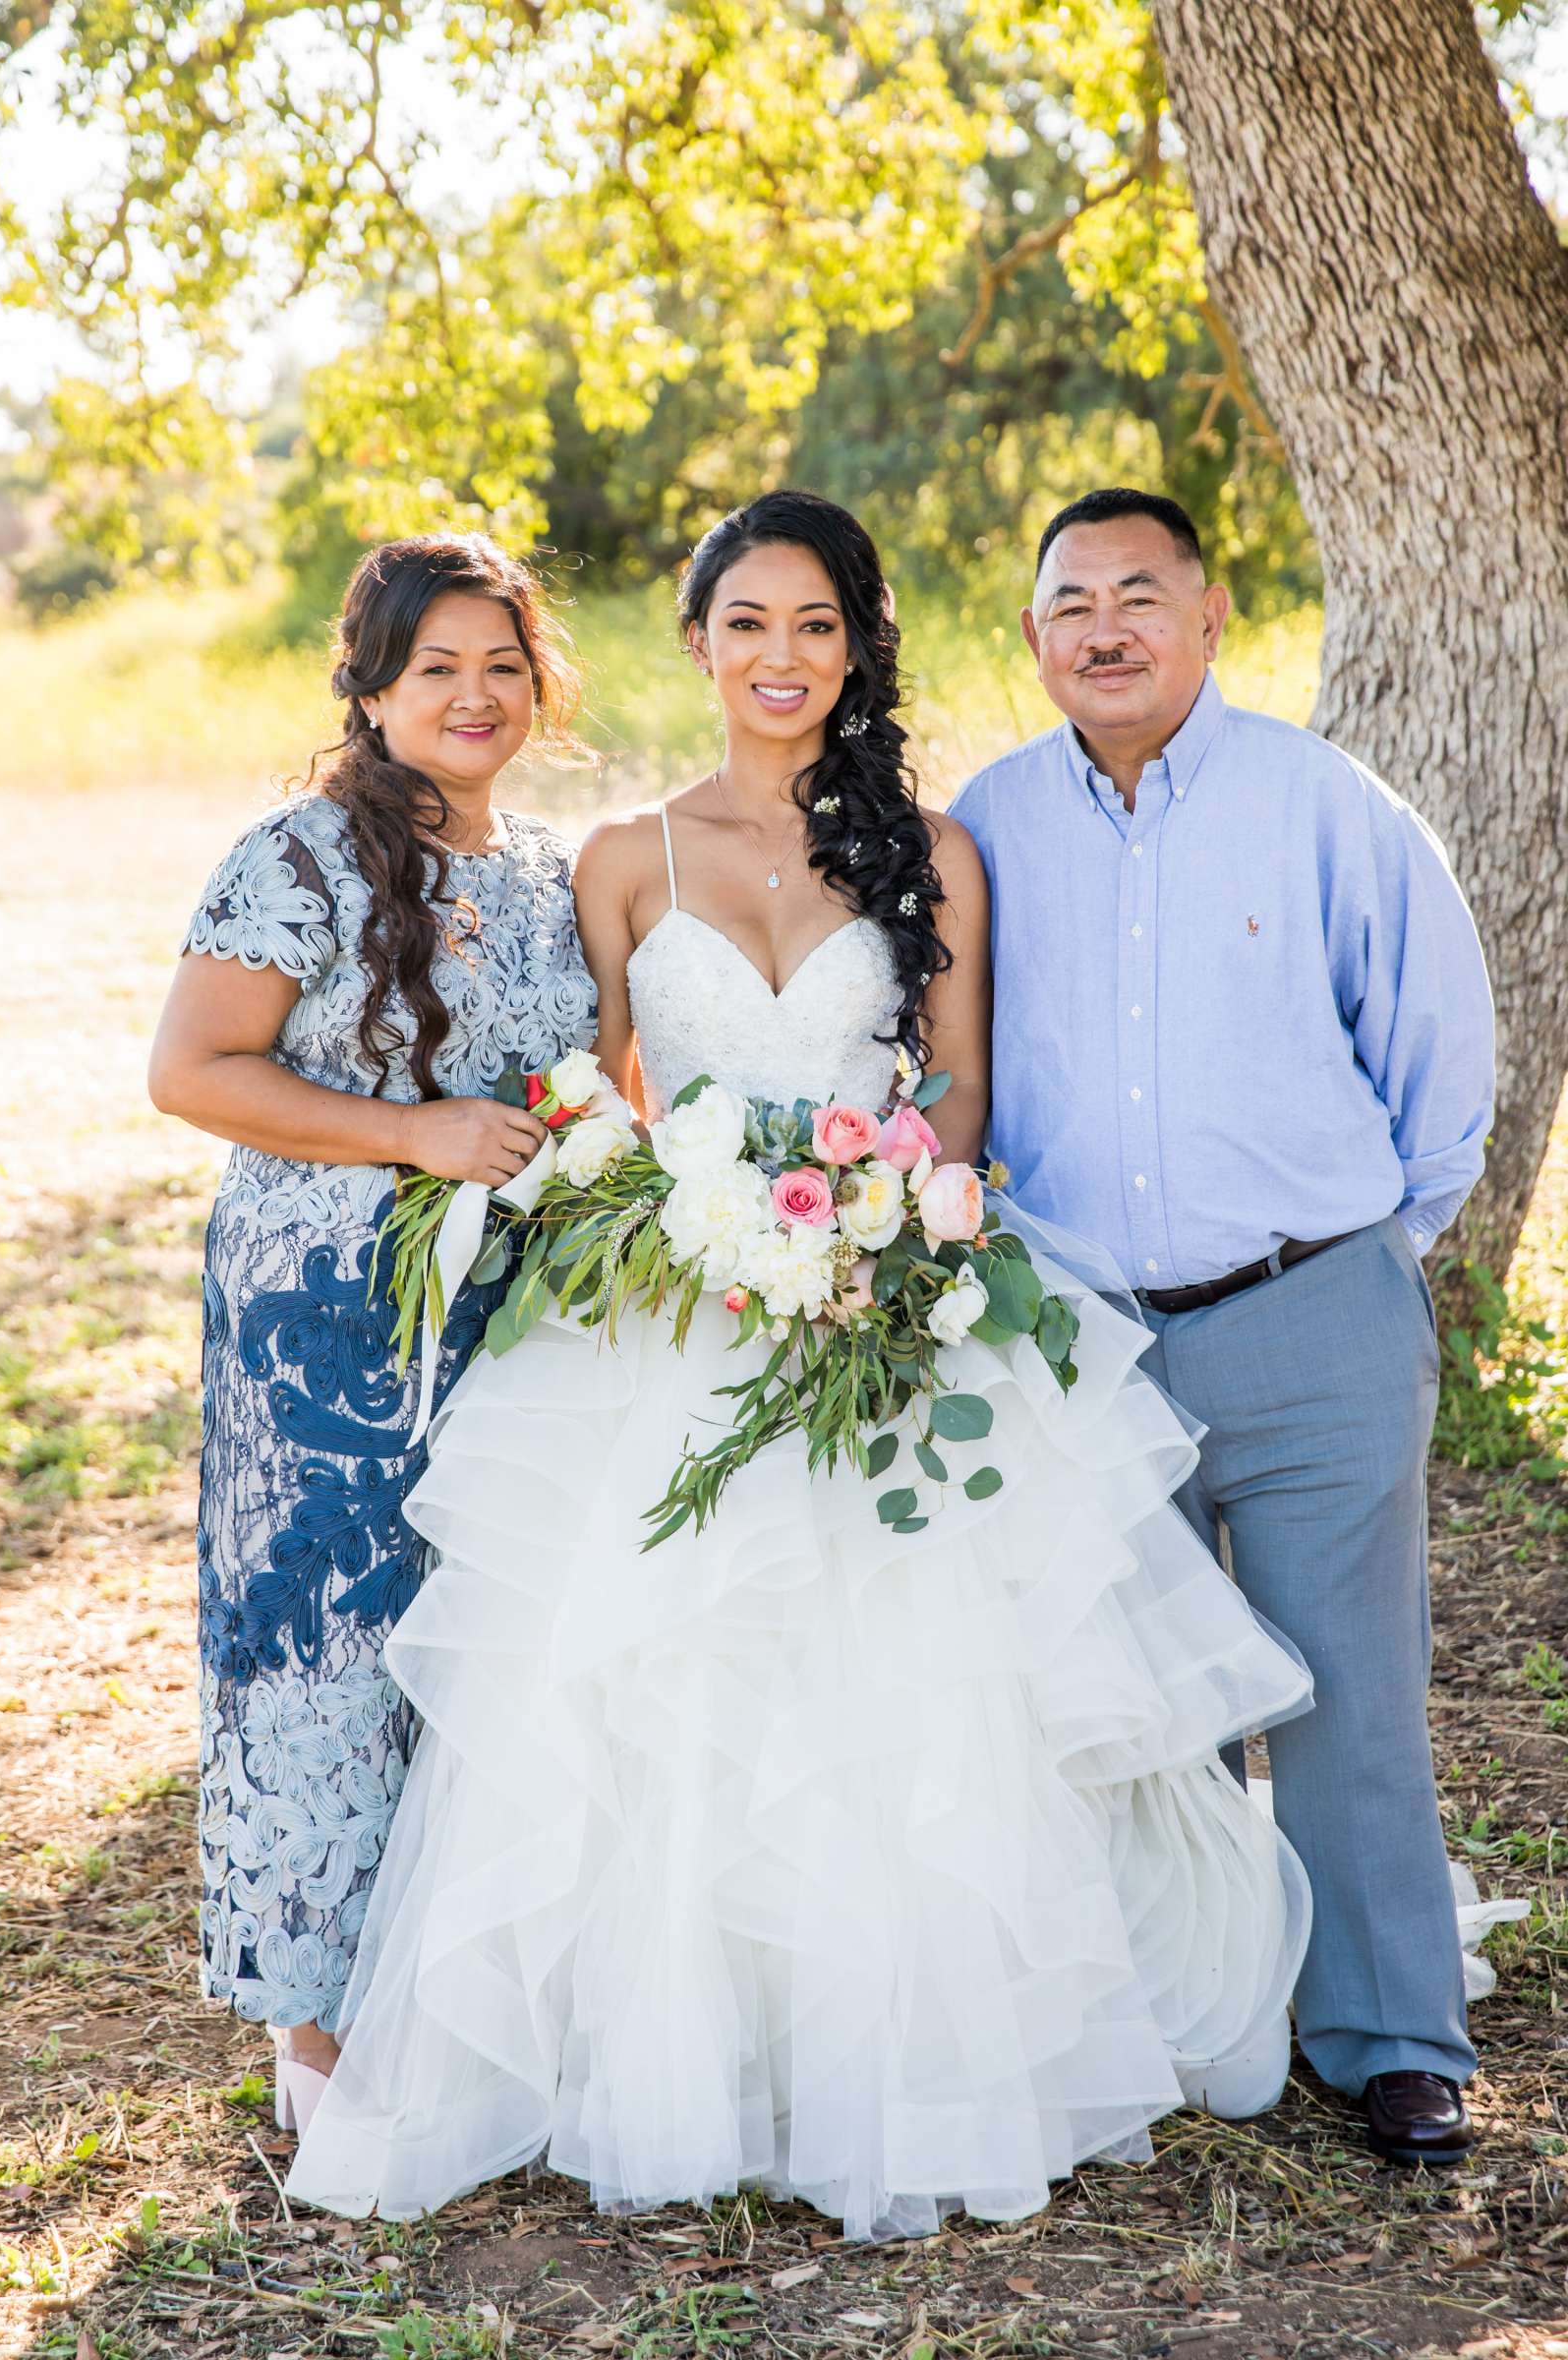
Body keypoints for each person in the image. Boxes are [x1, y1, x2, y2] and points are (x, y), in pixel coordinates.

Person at [284, 491, 1315, 2237]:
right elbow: (590, 1087)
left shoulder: (935, 848)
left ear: (861, 644)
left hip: (884, 1300)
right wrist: (669, 1206)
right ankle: (684, 2051)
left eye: (817, 625)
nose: (783, 658)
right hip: (674, 1317)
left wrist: (889, 1209)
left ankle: (914, 2049)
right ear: (696, 645)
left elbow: (964, 1083)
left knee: (917, 1694)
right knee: (664, 1690)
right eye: (748, 624)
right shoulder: (625, 858)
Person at [950, 486, 1495, 2168]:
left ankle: (1390, 2033)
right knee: (1120, 1696)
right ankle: (1174, 2009)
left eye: (1138, 594)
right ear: (1034, 636)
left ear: (1207, 617)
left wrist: (1363, 1264)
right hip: (1084, 1339)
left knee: (1348, 1692)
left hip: (1311, 1306)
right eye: (1068, 603)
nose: (1102, 628)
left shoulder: (1319, 800)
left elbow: (1436, 1053)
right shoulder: (984, 825)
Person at [148, 534, 597, 2130]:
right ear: (374, 689)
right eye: (437, 671)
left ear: (539, 679)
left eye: (501, 665)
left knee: (478, 1643)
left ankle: (449, 1984)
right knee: (326, 1650)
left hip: (513, 1318)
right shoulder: (298, 857)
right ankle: (318, 2025)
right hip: (323, 1321)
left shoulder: (550, 870)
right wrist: (413, 1134)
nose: (474, 697)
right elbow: (194, 1071)